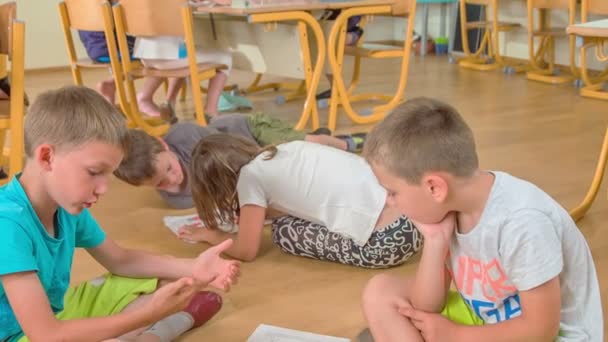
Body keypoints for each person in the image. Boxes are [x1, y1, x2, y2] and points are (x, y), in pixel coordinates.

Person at [0, 86, 241, 341]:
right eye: (94, 172)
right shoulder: (7, 225)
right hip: (31, 335)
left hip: (52, 319)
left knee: (167, 280)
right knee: (154, 304)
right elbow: (46, 335)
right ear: (47, 157)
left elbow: (121, 260)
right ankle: (164, 328)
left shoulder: (65, 205)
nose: (103, 188)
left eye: (108, 175)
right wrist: (150, 314)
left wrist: (193, 267)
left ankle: (153, 327)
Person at [360, 97, 602, 341]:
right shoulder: (449, 209)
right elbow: (427, 307)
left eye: (393, 192)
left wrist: (455, 335)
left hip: (547, 335)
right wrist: (435, 242)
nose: (390, 202)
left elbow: (540, 330)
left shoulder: (523, 223)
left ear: (434, 188)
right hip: (487, 322)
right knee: (380, 292)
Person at [180, 134, 421, 269]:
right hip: (417, 215)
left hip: (388, 243)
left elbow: (246, 251)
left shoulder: (249, 179)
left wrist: (211, 236)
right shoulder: (286, 147)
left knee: (283, 232)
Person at [114, 114, 365, 209]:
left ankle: (347, 143)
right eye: (160, 184)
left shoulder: (185, 136)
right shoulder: (172, 197)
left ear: (165, 145)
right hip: (254, 161)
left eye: (169, 168)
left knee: (311, 144)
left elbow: (229, 156)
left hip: (248, 132)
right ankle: (323, 136)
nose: (172, 180)